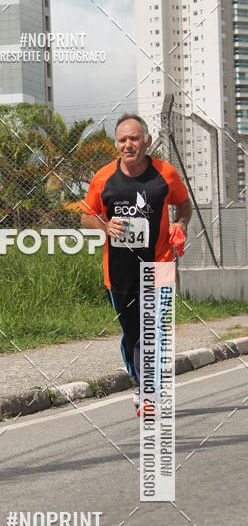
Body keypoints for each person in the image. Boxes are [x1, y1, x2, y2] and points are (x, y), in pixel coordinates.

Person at [81, 113, 192, 415]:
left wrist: (180, 224)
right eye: (122, 140)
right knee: (132, 334)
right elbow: (86, 215)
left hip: (159, 265)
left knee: (152, 331)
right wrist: (104, 227)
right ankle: (141, 383)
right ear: (116, 144)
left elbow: (183, 203)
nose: (128, 144)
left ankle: (148, 394)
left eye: (134, 138)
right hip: (119, 273)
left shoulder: (165, 174)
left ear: (147, 141)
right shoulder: (104, 178)